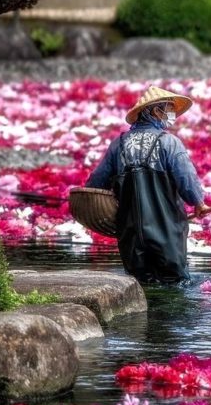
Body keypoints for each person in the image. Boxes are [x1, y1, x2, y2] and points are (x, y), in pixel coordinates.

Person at [86, 85, 205, 284]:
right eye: (168, 109)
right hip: (167, 233)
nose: (171, 114)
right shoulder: (169, 143)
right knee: (174, 284)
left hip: (130, 235)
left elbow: (95, 184)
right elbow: (187, 180)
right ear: (155, 111)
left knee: (141, 285)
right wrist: (198, 203)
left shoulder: (119, 144)